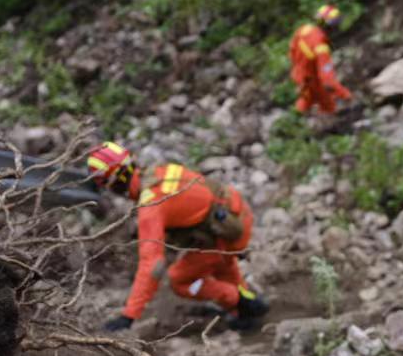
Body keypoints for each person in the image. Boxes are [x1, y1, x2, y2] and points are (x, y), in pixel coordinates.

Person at [85, 141, 268, 333]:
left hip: (224, 234)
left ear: (115, 182)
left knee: (180, 280)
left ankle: (240, 302)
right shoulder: (161, 171)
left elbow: (153, 265)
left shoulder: (151, 207)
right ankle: (246, 307)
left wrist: (129, 315)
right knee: (222, 267)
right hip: (235, 214)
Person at [288, 4, 352, 117]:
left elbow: (292, 50)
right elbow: (328, 80)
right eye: (336, 25)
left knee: (305, 102)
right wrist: (346, 95)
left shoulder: (304, 29)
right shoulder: (321, 48)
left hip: (299, 75)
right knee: (328, 107)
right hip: (313, 81)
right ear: (330, 27)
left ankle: (294, 121)